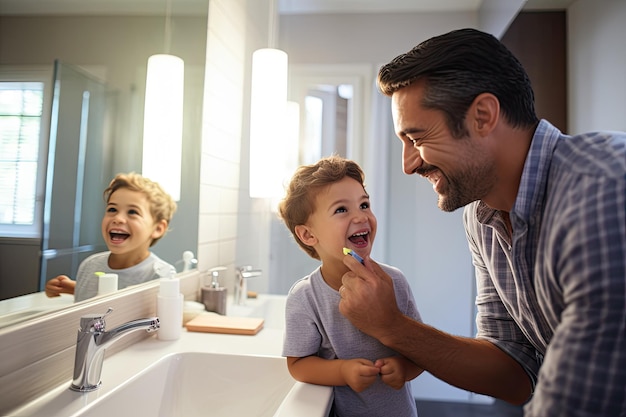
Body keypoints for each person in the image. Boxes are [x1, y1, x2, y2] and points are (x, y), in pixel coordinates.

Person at [338, 27, 626, 417]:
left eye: (417, 138)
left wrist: (392, 326)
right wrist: (392, 326)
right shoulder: (482, 215)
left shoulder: (604, 190)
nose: (409, 164)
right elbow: (515, 368)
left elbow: (578, 405)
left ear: (483, 116)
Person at [278, 155, 422, 417]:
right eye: (342, 210)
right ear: (308, 235)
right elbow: (298, 364)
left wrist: (404, 368)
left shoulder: (395, 282)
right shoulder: (305, 298)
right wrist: (341, 371)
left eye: (364, 204)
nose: (361, 216)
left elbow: (421, 351)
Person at [45, 172, 177, 302]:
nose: (118, 218)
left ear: (158, 228)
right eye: (112, 209)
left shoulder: (160, 275)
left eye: (132, 212)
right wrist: (74, 288)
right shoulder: (89, 266)